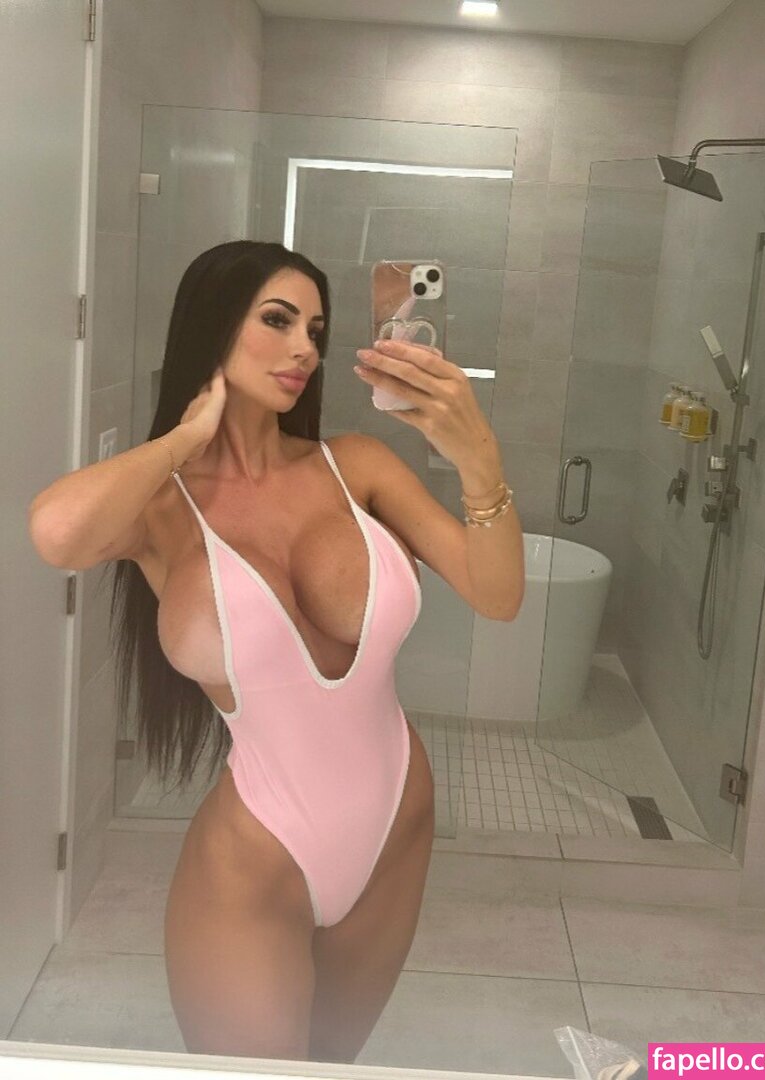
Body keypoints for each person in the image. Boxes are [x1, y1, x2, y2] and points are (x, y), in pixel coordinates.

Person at [27, 240, 525, 1063]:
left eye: (316, 331)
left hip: (397, 826)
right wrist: (186, 438)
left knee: (332, 1069)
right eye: (278, 320)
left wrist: (479, 461)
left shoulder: (356, 465)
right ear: (213, 326)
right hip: (257, 854)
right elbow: (56, 533)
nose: (304, 349)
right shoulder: (162, 509)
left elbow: (498, 595)